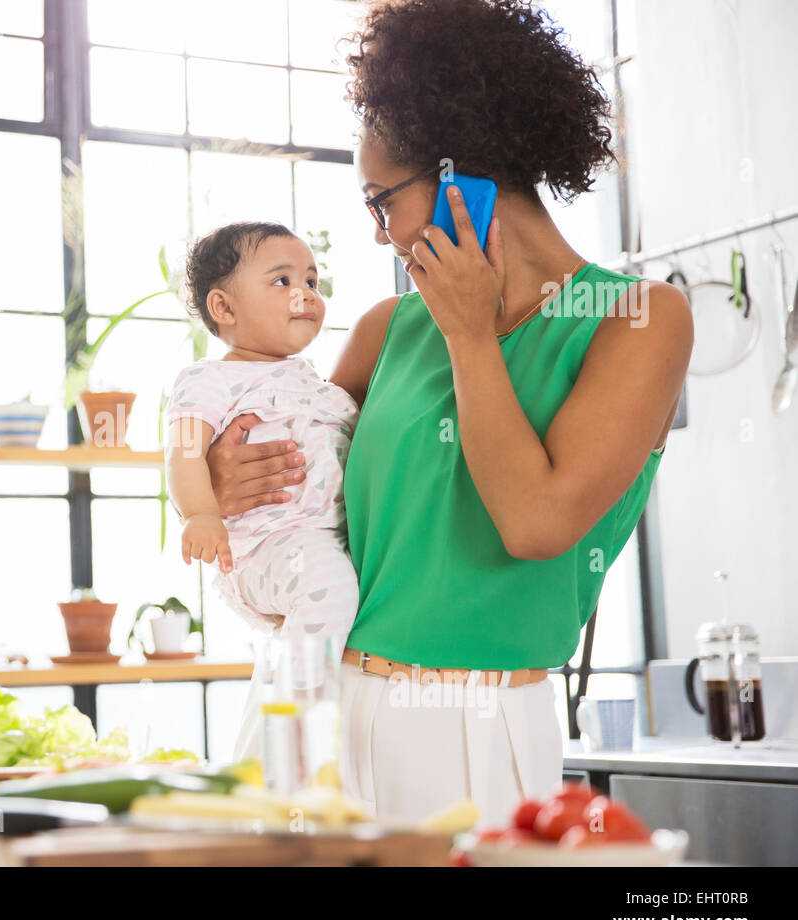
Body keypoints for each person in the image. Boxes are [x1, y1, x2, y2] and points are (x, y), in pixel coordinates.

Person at [197, 0, 693, 829]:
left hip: (477, 725)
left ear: (463, 173)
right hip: (313, 700)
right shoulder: (388, 330)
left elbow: (535, 523)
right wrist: (221, 475)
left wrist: (471, 333)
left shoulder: (639, 319)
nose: (381, 232)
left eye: (382, 199)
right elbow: (284, 473)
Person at [164, 222, 361, 763]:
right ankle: (297, 744)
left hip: (318, 542)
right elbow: (182, 450)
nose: (305, 294)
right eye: (281, 281)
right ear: (223, 308)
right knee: (330, 585)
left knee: (335, 580)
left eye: (312, 281)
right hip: (264, 548)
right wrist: (199, 512)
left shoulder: (315, 383)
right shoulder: (205, 381)